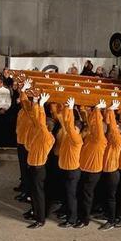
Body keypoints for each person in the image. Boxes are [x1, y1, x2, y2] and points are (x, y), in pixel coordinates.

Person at [75, 100, 108, 229]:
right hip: (85, 168)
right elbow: (91, 122)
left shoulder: (100, 139)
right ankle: (82, 215)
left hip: (92, 172)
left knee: (86, 195)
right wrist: (91, 111)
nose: (92, 127)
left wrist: (98, 109)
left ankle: (84, 219)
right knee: (83, 194)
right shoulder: (91, 136)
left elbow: (97, 125)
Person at [24, 92, 54, 229]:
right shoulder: (42, 135)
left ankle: (40, 219)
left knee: (38, 194)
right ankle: (35, 213)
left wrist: (40, 105)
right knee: (34, 193)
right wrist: (35, 102)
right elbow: (38, 120)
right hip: (33, 166)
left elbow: (40, 122)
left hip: (38, 169)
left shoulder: (47, 137)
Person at [56, 96, 84, 228]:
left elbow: (69, 125)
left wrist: (71, 108)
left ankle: (72, 219)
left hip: (72, 171)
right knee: (66, 193)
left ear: (77, 129)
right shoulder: (70, 135)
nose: (70, 128)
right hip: (66, 168)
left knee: (71, 195)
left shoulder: (77, 139)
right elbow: (67, 122)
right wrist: (67, 107)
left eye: (73, 128)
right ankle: (66, 212)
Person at [99, 101, 121, 230]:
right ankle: (106, 214)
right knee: (105, 194)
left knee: (111, 197)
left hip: (112, 173)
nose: (111, 130)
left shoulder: (118, 140)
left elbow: (112, 127)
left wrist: (111, 111)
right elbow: (109, 125)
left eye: (115, 128)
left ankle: (111, 221)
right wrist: (107, 111)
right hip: (106, 171)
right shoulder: (110, 138)